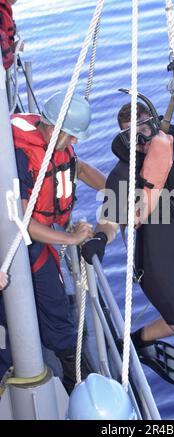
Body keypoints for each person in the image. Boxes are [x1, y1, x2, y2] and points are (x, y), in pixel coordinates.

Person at [81, 95, 174, 419]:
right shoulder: (123, 174)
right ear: (122, 137)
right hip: (159, 269)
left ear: (153, 122)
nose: (140, 135)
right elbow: (110, 220)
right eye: (129, 132)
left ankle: (138, 340)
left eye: (144, 125)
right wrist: (99, 239)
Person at [0, 91, 106, 394]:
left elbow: (80, 168)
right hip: (20, 246)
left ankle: (74, 374)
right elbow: (23, 223)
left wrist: (119, 189)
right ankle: (67, 378)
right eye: (71, 136)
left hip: (40, 241)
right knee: (36, 313)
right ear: (53, 126)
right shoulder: (19, 155)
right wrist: (70, 238)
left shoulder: (53, 145)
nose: (74, 142)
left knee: (52, 311)